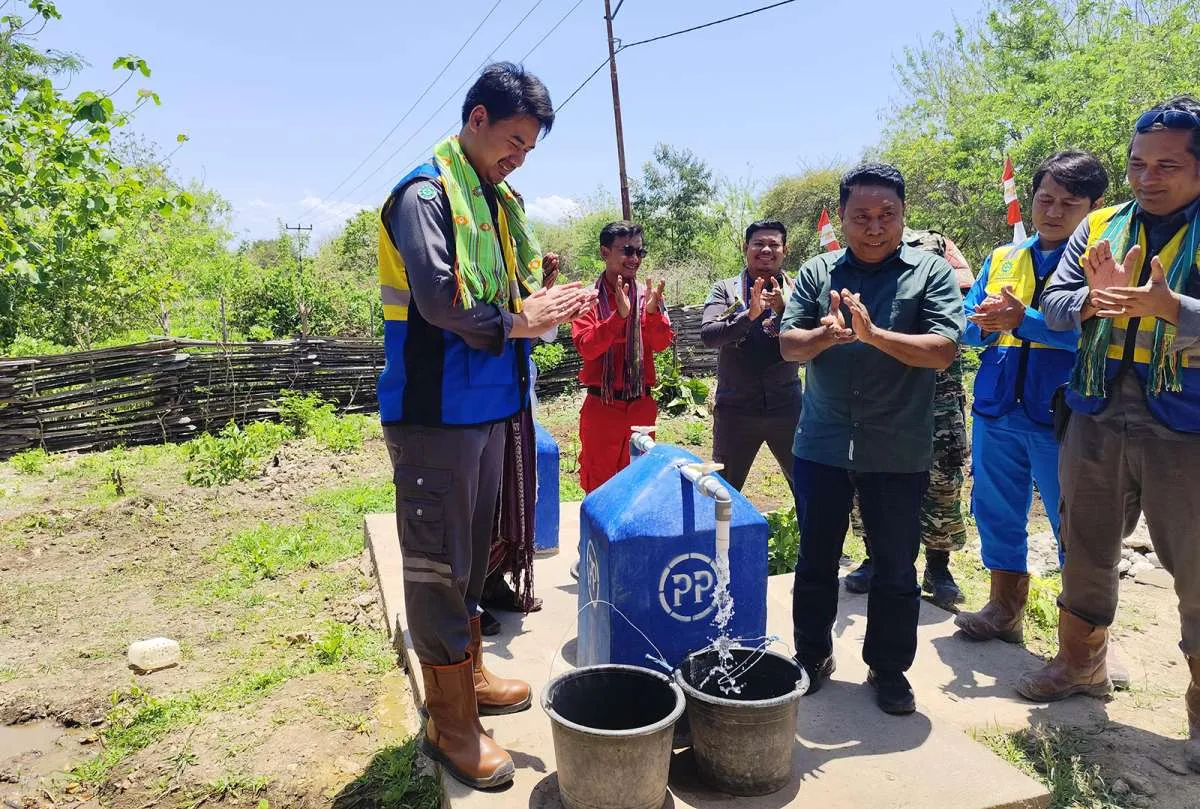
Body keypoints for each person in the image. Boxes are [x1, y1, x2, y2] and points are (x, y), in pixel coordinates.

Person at [376, 62, 596, 789]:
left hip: (491, 407)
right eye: (513, 140)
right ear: (476, 119)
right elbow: (440, 303)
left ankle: (466, 673)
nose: (519, 157)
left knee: (471, 556)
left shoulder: (496, 203)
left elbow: (511, 291)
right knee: (438, 565)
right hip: (435, 414)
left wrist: (546, 302)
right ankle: (452, 723)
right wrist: (518, 319)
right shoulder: (425, 196)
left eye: (530, 148)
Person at [1017, 97, 1200, 772]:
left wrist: (1170, 306)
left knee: (1197, 566)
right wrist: (1093, 298)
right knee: (1085, 542)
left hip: (1186, 423)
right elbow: (1056, 304)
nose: (1147, 178)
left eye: (1167, 165)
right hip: (1095, 411)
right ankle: (1079, 663)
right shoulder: (1100, 226)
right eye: (1137, 164)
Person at [781, 163, 965, 715]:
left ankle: (888, 670)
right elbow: (789, 345)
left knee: (895, 567)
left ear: (903, 217)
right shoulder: (818, 271)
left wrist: (873, 336)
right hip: (823, 443)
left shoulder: (929, 272)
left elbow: (943, 350)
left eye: (887, 215)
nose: (875, 227)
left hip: (896, 447)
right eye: (862, 216)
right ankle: (812, 657)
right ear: (843, 218)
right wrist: (825, 335)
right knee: (815, 560)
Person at [954, 151, 1108, 646]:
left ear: (1096, 208)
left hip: (1064, 415)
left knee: (1076, 524)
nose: (1053, 212)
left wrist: (1024, 321)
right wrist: (977, 325)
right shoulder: (1004, 257)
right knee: (996, 509)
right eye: (1045, 198)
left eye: (1069, 203)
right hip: (998, 408)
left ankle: (1086, 640)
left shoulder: (1101, 264)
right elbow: (967, 325)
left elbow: (1100, 339)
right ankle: (1003, 609)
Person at [844, 228, 975, 610]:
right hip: (881, 394)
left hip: (939, 394)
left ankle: (939, 566)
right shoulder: (866, 256)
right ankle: (874, 557)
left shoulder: (938, 244)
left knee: (943, 479)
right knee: (869, 477)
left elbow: (961, 299)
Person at [571, 221, 674, 493]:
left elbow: (662, 344)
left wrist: (651, 315)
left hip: (641, 406)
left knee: (638, 485)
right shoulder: (587, 299)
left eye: (641, 252)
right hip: (602, 407)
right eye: (627, 251)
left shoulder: (649, 296)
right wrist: (618, 317)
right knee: (599, 486)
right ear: (605, 252)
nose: (635, 259)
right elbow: (587, 347)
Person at [699, 219, 801, 490]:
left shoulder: (798, 289)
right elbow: (709, 335)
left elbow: (808, 338)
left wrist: (783, 312)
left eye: (773, 244)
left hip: (787, 408)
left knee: (806, 488)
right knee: (723, 492)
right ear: (746, 247)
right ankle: (721, 535)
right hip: (735, 409)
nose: (766, 249)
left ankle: (810, 534)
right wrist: (749, 315)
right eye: (758, 243)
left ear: (785, 250)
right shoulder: (725, 289)